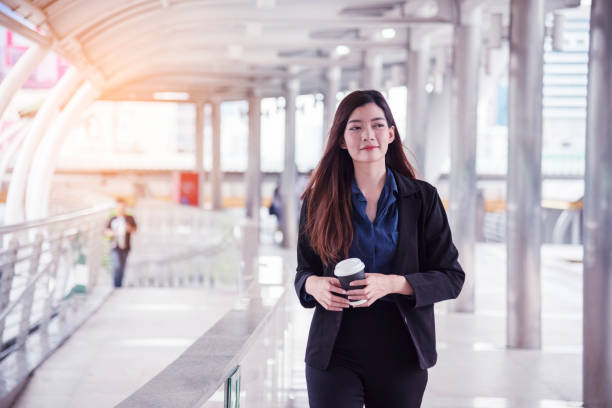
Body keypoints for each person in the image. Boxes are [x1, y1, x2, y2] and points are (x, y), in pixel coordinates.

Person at [295, 90, 465, 408]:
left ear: (390, 133)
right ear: (342, 140)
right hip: (334, 352)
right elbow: (304, 271)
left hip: (402, 352)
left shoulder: (423, 199)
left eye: (376, 125)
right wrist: (313, 284)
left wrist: (391, 283)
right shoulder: (319, 201)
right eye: (355, 127)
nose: (367, 135)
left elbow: (451, 277)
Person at [105, 198, 137, 288]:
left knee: (122, 267)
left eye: (123, 206)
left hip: (125, 247)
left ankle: (119, 285)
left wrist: (128, 228)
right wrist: (114, 232)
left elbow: (135, 229)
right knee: (117, 265)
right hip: (114, 246)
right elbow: (106, 231)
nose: (121, 208)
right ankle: (116, 285)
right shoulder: (112, 219)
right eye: (119, 206)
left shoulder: (130, 218)